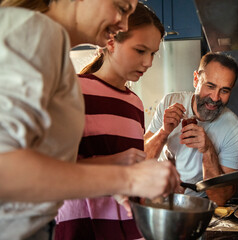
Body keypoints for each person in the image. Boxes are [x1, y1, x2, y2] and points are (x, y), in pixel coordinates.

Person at [0, 1, 180, 240]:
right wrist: (127, 178)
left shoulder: (51, 46)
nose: (123, 24)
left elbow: (46, 164)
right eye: (121, 7)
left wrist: (115, 177)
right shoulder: (36, 31)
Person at [54, 3, 164, 240]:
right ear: (111, 41)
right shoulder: (73, 90)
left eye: (153, 53)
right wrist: (116, 163)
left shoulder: (135, 103)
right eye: (140, 50)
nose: (149, 63)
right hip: (82, 229)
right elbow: (51, 171)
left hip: (129, 228)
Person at [144, 52, 238, 206]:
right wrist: (164, 131)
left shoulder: (233, 126)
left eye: (224, 90)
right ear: (196, 79)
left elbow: (220, 198)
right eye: (210, 86)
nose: (215, 98)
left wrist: (208, 149)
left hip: (198, 206)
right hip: (157, 198)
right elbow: (141, 161)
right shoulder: (170, 102)